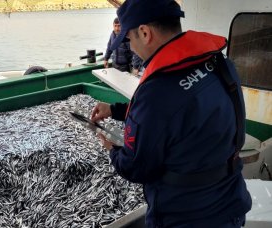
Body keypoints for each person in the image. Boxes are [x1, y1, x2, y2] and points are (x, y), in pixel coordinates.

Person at [91, 0, 252, 227]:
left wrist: (112, 150)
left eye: (129, 39)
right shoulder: (220, 64)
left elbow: (136, 167)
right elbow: (177, 115)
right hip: (231, 204)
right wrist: (115, 110)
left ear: (145, 33)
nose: (131, 47)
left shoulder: (155, 93)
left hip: (184, 217)